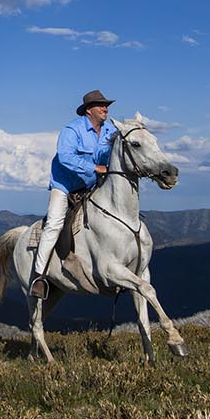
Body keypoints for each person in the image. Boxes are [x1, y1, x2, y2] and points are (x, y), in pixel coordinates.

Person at [30, 90, 119, 300]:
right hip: (65, 185)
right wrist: (95, 168)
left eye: (106, 105)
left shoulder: (110, 129)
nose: (105, 108)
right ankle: (39, 276)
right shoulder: (72, 130)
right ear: (89, 110)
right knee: (53, 223)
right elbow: (65, 157)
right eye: (100, 105)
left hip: (91, 185)